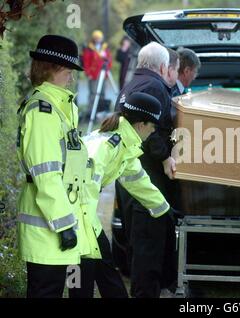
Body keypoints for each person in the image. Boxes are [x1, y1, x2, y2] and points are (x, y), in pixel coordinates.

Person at [16, 34, 97, 298]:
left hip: (57, 223)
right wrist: (64, 226)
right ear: (51, 68)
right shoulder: (43, 112)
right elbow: (47, 175)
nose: (72, 77)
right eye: (68, 70)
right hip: (49, 228)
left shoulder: (59, 107)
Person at [71, 93, 173, 298]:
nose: (153, 131)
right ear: (141, 124)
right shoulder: (107, 147)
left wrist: (165, 212)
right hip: (76, 215)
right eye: (153, 126)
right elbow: (84, 189)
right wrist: (83, 227)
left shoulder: (126, 146)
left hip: (84, 215)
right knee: (82, 276)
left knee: (106, 270)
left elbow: (139, 182)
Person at [114, 42, 180, 298]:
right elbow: (148, 131)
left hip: (131, 175)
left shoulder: (131, 83)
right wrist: (165, 158)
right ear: (163, 67)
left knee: (140, 242)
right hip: (145, 178)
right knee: (147, 246)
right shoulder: (154, 87)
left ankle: (151, 289)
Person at [82, 30, 112, 111]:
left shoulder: (105, 48)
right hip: (93, 74)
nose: (98, 39)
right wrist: (88, 74)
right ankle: (91, 112)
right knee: (93, 93)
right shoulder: (89, 48)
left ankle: (101, 111)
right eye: (96, 38)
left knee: (102, 93)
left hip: (103, 74)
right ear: (93, 38)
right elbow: (86, 62)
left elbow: (109, 60)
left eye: (99, 38)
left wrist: (106, 72)